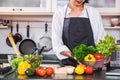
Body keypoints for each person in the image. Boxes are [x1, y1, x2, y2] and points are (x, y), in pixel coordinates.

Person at [52, 0, 106, 67]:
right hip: (68, 67)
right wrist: (74, 56)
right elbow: (57, 44)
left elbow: (101, 39)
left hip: (91, 65)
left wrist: (106, 53)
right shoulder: (59, 14)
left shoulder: (93, 13)